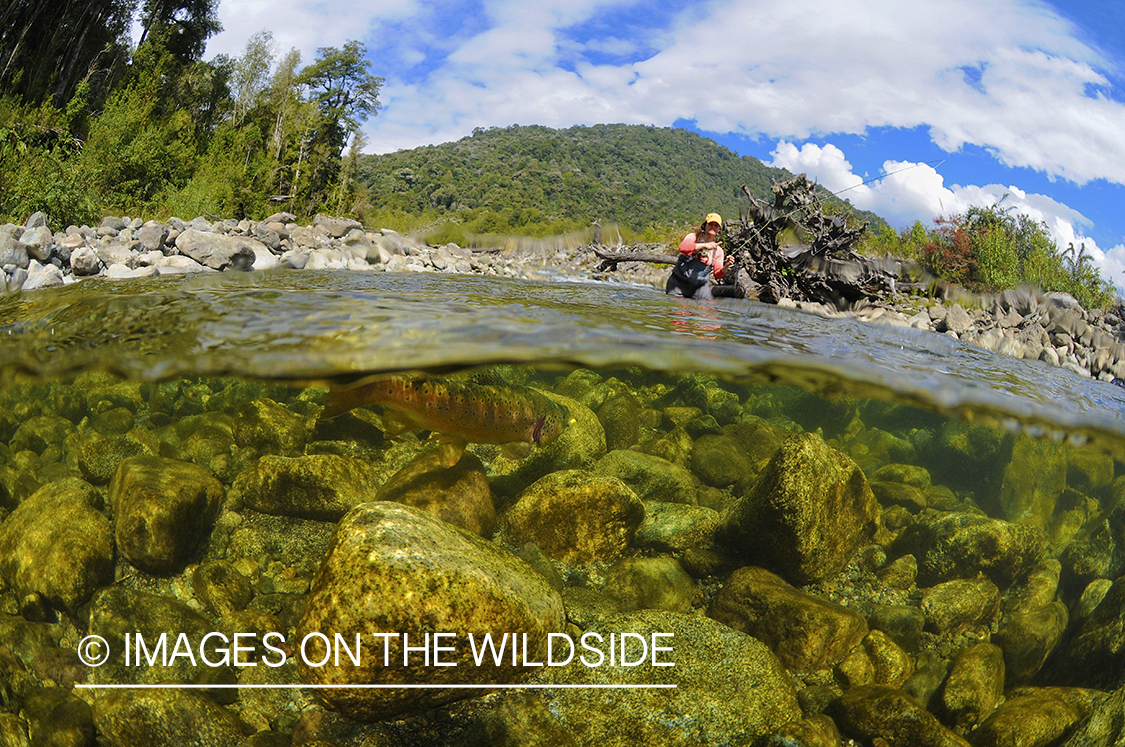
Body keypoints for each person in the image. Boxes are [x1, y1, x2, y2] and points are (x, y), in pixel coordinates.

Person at [665, 212, 734, 300]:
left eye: (716, 225)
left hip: (699, 287)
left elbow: (718, 275)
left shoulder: (719, 251)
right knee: (680, 306)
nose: (713, 227)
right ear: (705, 225)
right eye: (710, 224)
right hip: (678, 283)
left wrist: (726, 265)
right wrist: (704, 245)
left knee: (707, 306)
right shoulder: (693, 237)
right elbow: (682, 247)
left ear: (719, 230)